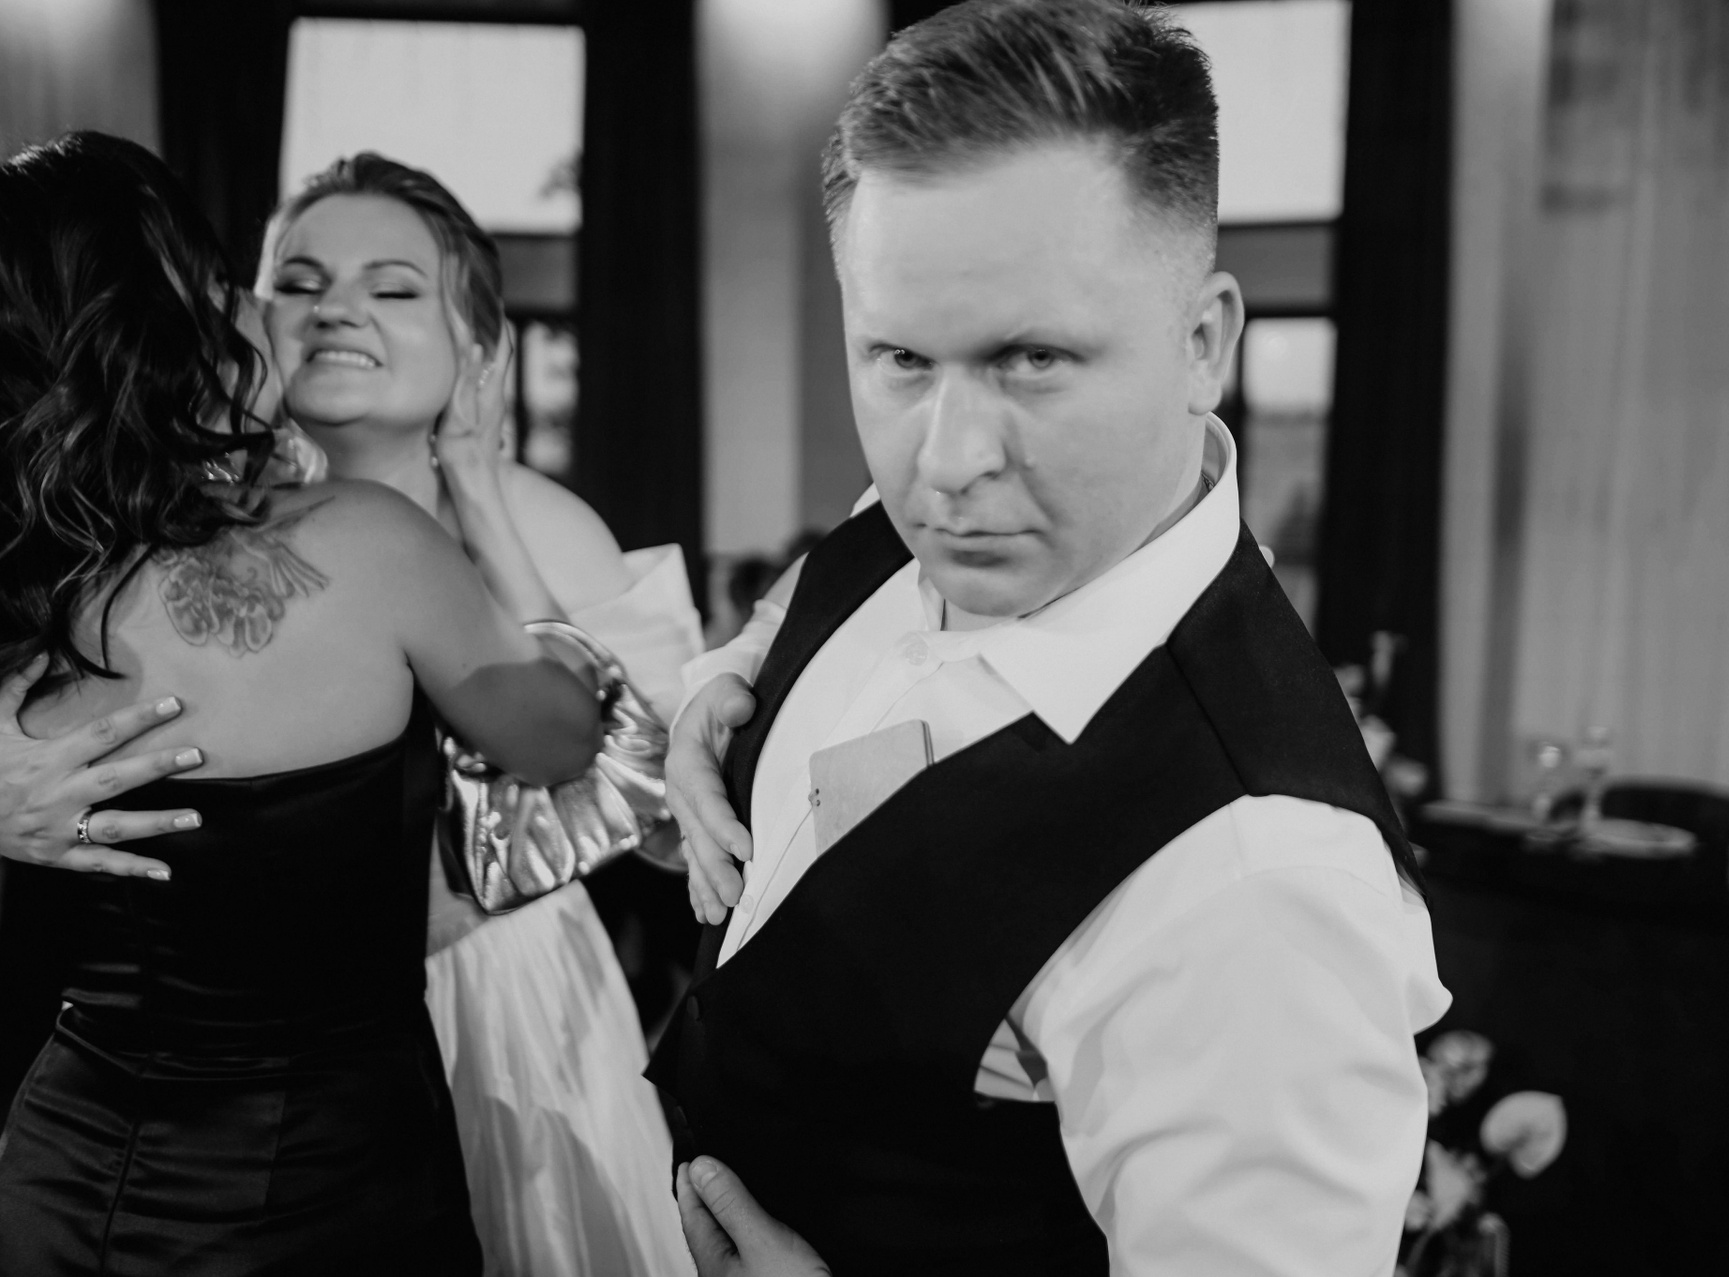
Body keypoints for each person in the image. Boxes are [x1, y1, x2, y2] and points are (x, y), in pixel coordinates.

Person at [654, 3, 1450, 1274]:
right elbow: (811, 606)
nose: (947, 460)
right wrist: (727, 683)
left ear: (1203, 344)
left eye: (1032, 358)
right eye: (900, 356)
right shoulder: (954, 511)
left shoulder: (1258, 876)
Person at [0, 131, 604, 1274]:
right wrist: (478, 498)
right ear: (178, 315)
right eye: (231, 278)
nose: (263, 304)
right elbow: (566, 737)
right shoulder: (372, 546)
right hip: (338, 1178)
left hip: (65, 1174)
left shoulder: (30, 577)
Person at [257, 154, 697, 1277]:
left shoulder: (549, 526)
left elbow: (666, 820)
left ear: (481, 347)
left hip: (506, 1008)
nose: (336, 308)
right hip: (265, 1027)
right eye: (299, 283)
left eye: (393, 287)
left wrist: (484, 502)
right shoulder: (204, 534)